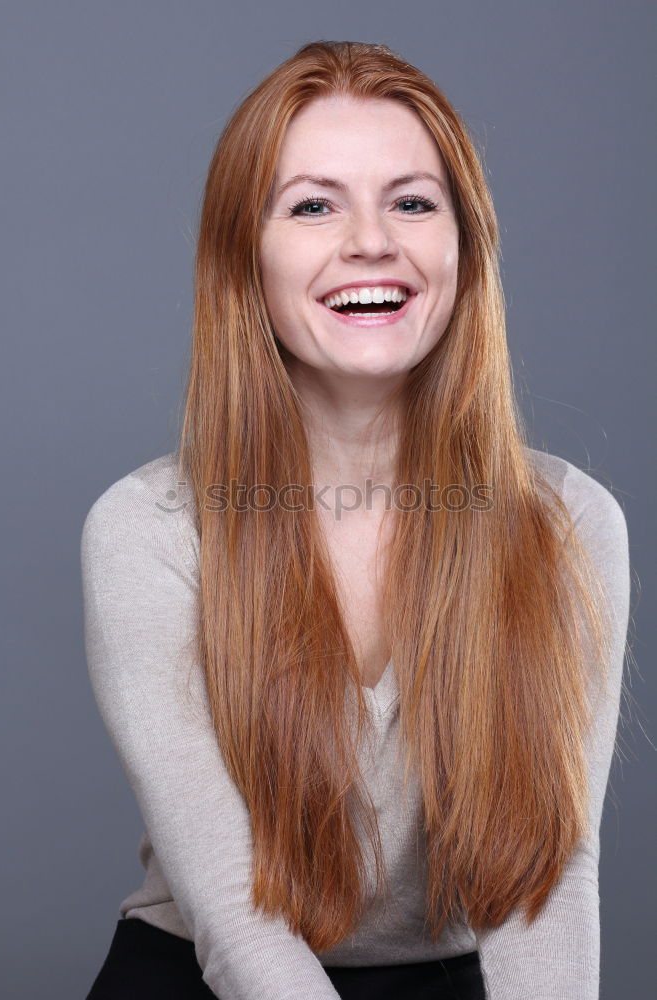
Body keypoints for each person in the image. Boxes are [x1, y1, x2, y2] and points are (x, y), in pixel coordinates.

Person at [81, 40, 631, 1000]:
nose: (371, 240)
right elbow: (236, 920)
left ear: (466, 244)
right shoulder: (150, 529)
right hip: (212, 975)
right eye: (313, 204)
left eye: (413, 201)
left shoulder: (572, 524)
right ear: (242, 256)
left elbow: (547, 885)